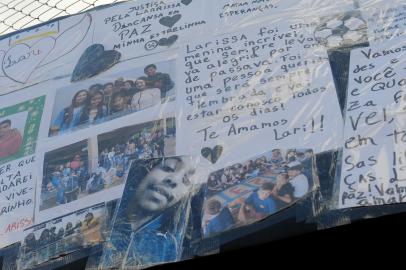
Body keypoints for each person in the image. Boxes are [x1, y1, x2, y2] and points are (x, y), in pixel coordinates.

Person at [101, 156, 195, 269]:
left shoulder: (169, 247)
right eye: (168, 167)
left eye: (186, 180)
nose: (174, 179)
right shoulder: (104, 221)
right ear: (145, 170)